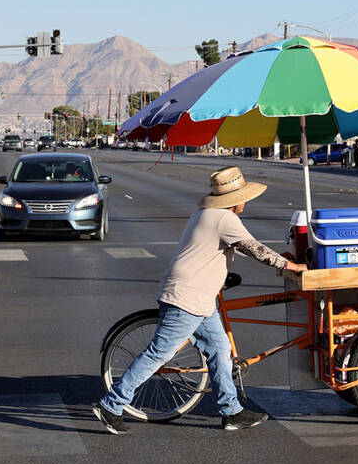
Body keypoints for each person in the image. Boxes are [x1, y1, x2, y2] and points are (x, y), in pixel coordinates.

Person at [93, 166, 307, 434]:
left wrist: (278, 259)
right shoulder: (224, 219)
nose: (245, 202)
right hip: (188, 298)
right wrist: (290, 266)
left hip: (199, 299)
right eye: (244, 197)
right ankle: (111, 405)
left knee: (219, 351)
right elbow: (253, 248)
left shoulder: (207, 213)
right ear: (235, 199)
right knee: (159, 354)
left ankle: (232, 412)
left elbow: (225, 248)